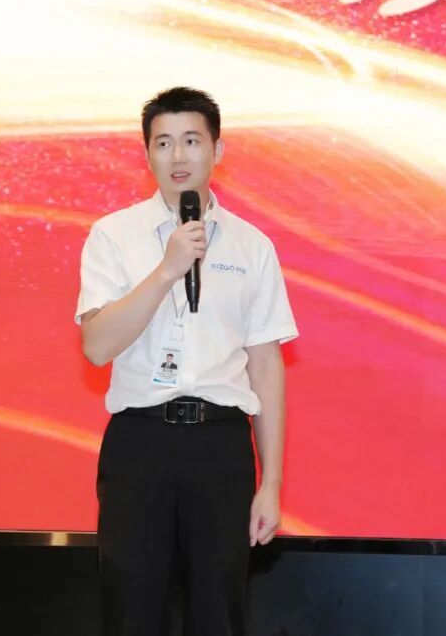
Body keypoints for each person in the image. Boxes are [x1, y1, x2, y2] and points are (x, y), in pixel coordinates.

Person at [75, 87, 297, 636]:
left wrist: (271, 482)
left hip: (221, 445)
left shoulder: (252, 246)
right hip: (140, 443)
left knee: (219, 613)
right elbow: (97, 346)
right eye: (163, 143)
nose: (178, 156)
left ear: (217, 150)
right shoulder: (113, 236)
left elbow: (265, 366)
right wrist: (166, 270)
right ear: (147, 153)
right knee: (131, 610)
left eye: (192, 141)